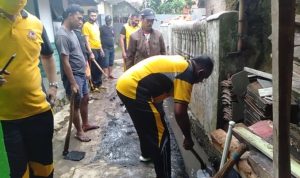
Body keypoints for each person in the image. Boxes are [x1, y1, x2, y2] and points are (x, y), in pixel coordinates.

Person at [116, 55, 214, 178]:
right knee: (162, 135)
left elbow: (159, 83)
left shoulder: (181, 63)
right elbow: (180, 113)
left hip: (125, 84)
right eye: (203, 79)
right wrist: (188, 138)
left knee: (146, 125)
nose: (200, 82)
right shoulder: (187, 74)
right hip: (134, 88)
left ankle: (146, 154)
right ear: (201, 73)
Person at [0, 0, 58, 177]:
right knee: (18, 173)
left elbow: (47, 56)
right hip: (5, 118)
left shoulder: (36, 23)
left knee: (44, 167)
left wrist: (53, 85)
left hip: (38, 112)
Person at [55, 4, 99, 142]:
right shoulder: (62, 35)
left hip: (81, 74)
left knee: (85, 99)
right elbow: (65, 61)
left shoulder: (73, 32)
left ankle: (85, 125)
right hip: (73, 77)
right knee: (75, 105)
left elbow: (79, 53)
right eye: (79, 18)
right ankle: (79, 132)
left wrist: (86, 69)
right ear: (70, 15)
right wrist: (73, 83)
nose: (81, 22)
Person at [82, 8, 105, 91]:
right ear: (88, 15)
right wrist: (90, 52)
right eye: (92, 15)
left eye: (95, 16)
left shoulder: (96, 25)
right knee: (93, 69)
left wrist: (101, 49)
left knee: (100, 67)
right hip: (92, 49)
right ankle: (93, 86)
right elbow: (86, 40)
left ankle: (99, 84)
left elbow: (98, 38)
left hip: (98, 48)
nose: (93, 17)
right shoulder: (86, 25)